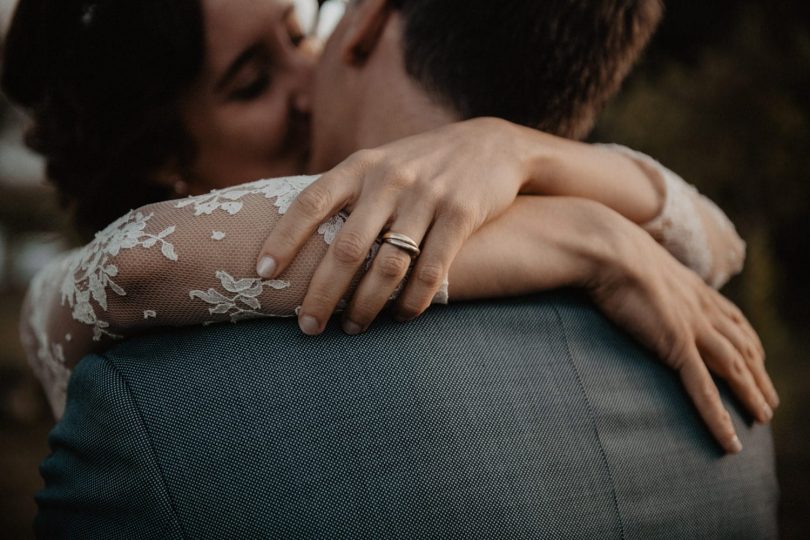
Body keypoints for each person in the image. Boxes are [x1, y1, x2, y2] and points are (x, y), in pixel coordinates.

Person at [5, 0, 779, 536]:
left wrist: (517, 148)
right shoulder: (123, 322)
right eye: (252, 81)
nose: (310, 78)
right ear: (162, 160)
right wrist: (584, 233)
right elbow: (131, 265)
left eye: (297, 33)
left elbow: (715, 237)